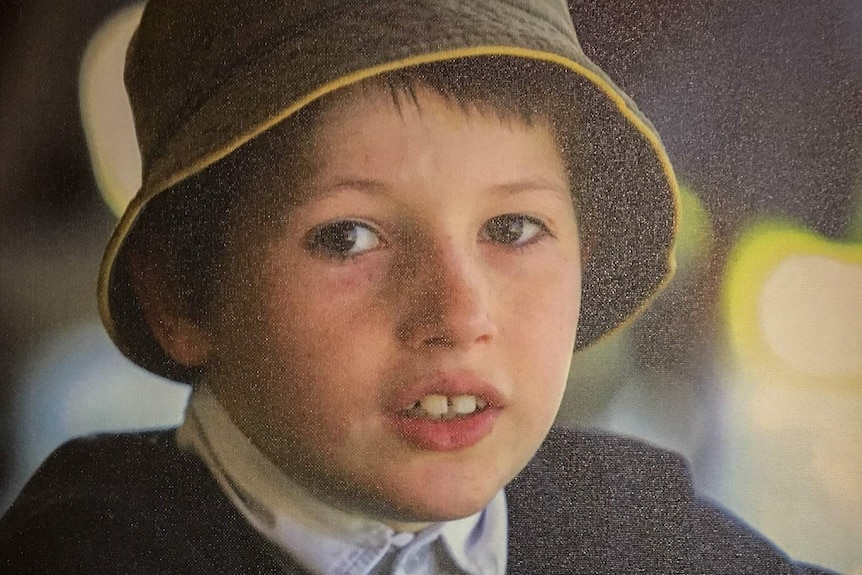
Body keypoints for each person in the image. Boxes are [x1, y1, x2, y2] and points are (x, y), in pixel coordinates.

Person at [0, 1, 837, 573]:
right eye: (348, 237)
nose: (458, 314)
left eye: (512, 229)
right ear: (183, 292)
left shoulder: (627, 527)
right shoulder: (94, 548)